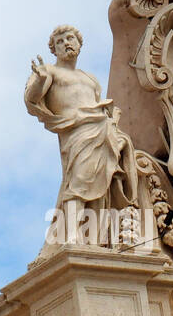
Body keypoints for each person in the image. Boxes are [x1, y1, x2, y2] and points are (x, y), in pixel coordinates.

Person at [24, 25, 137, 238]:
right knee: (79, 180)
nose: (66, 43)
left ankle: (96, 237)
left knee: (104, 181)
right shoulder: (49, 71)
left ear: (79, 44)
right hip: (77, 132)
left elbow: (98, 105)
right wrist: (38, 82)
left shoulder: (90, 79)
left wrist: (113, 120)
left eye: (70, 38)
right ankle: (72, 235)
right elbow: (31, 100)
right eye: (60, 41)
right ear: (54, 50)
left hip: (102, 129)